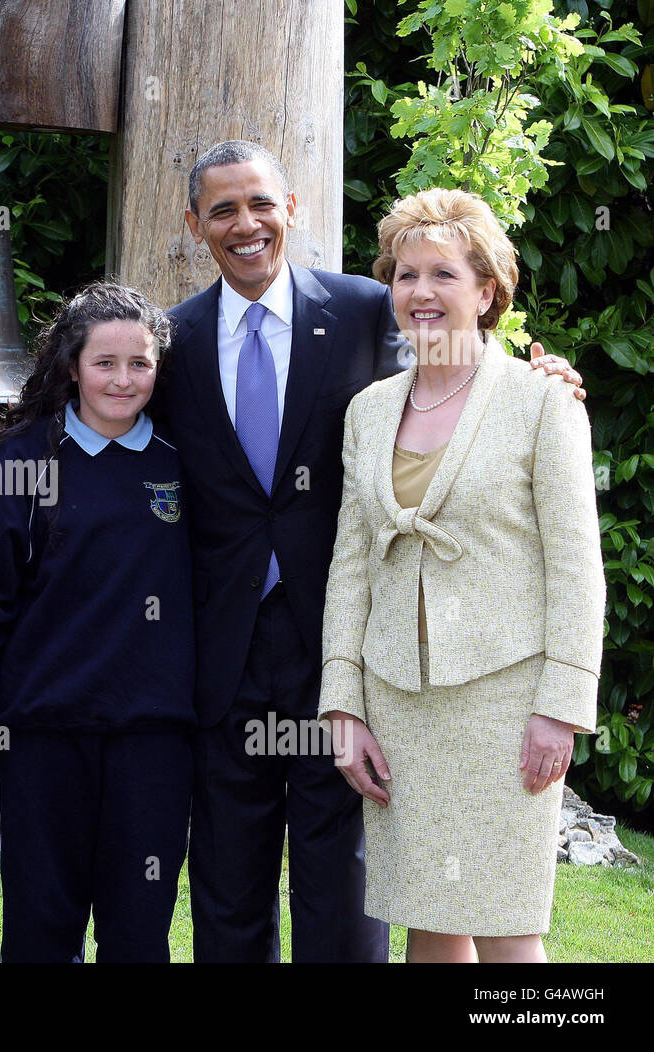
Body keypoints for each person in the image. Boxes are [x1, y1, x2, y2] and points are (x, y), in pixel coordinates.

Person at [161, 139, 586, 963]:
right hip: (241, 654)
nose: (245, 224)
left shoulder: (361, 309)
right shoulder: (171, 339)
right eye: (222, 209)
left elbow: (472, 366)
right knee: (233, 883)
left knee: (359, 890)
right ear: (194, 224)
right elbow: (105, 416)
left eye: (260, 204)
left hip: (385, 657)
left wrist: (554, 386)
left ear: (293, 211)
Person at [318, 187, 604, 963]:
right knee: (429, 917)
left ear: (486, 292)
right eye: (405, 275)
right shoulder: (368, 411)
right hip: (398, 701)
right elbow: (351, 566)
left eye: (442, 274)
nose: (420, 293)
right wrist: (343, 703)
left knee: (510, 923)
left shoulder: (541, 402)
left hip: (507, 703)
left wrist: (563, 707)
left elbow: (579, 566)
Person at [0, 282, 195, 962]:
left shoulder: (185, 459)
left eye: (140, 363)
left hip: (153, 739)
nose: (122, 379)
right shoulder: (20, 464)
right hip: (44, 738)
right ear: (72, 365)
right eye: (105, 362)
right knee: (43, 933)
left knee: (138, 935)